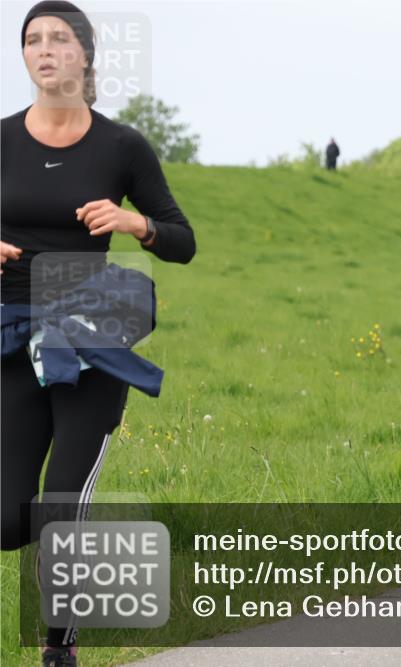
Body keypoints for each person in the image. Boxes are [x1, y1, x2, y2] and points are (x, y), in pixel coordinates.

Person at [1, 3, 195, 665]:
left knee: (61, 503)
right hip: (11, 337)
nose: (45, 49)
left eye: (60, 39)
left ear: (85, 55)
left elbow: (182, 241)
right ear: (23, 56)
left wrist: (133, 222)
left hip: (89, 336)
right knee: (7, 519)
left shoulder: (121, 147)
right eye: (33, 40)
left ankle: (60, 640)